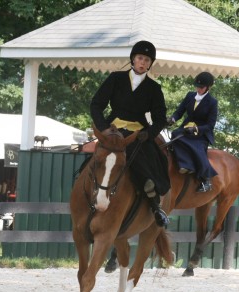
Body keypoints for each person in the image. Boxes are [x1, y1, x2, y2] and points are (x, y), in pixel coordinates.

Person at [90, 40, 170, 227]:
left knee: (153, 158)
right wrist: (102, 128)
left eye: (147, 60)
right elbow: (96, 104)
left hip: (136, 134)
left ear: (150, 64)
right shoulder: (115, 78)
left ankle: (154, 203)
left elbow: (160, 119)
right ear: (133, 59)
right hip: (113, 130)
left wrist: (148, 134)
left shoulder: (154, 88)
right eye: (140, 58)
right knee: (96, 156)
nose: (143, 62)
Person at [168, 72, 218, 192]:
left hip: (201, 133)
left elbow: (210, 125)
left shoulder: (212, 102)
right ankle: (186, 165)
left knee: (197, 148)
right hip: (186, 129)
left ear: (208, 87)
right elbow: (179, 111)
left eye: (201, 87)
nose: (198, 89)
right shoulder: (190, 96)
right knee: (175, 135)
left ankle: (206, 179)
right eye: (197, 86)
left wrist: (196, 129)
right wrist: (172, 119)